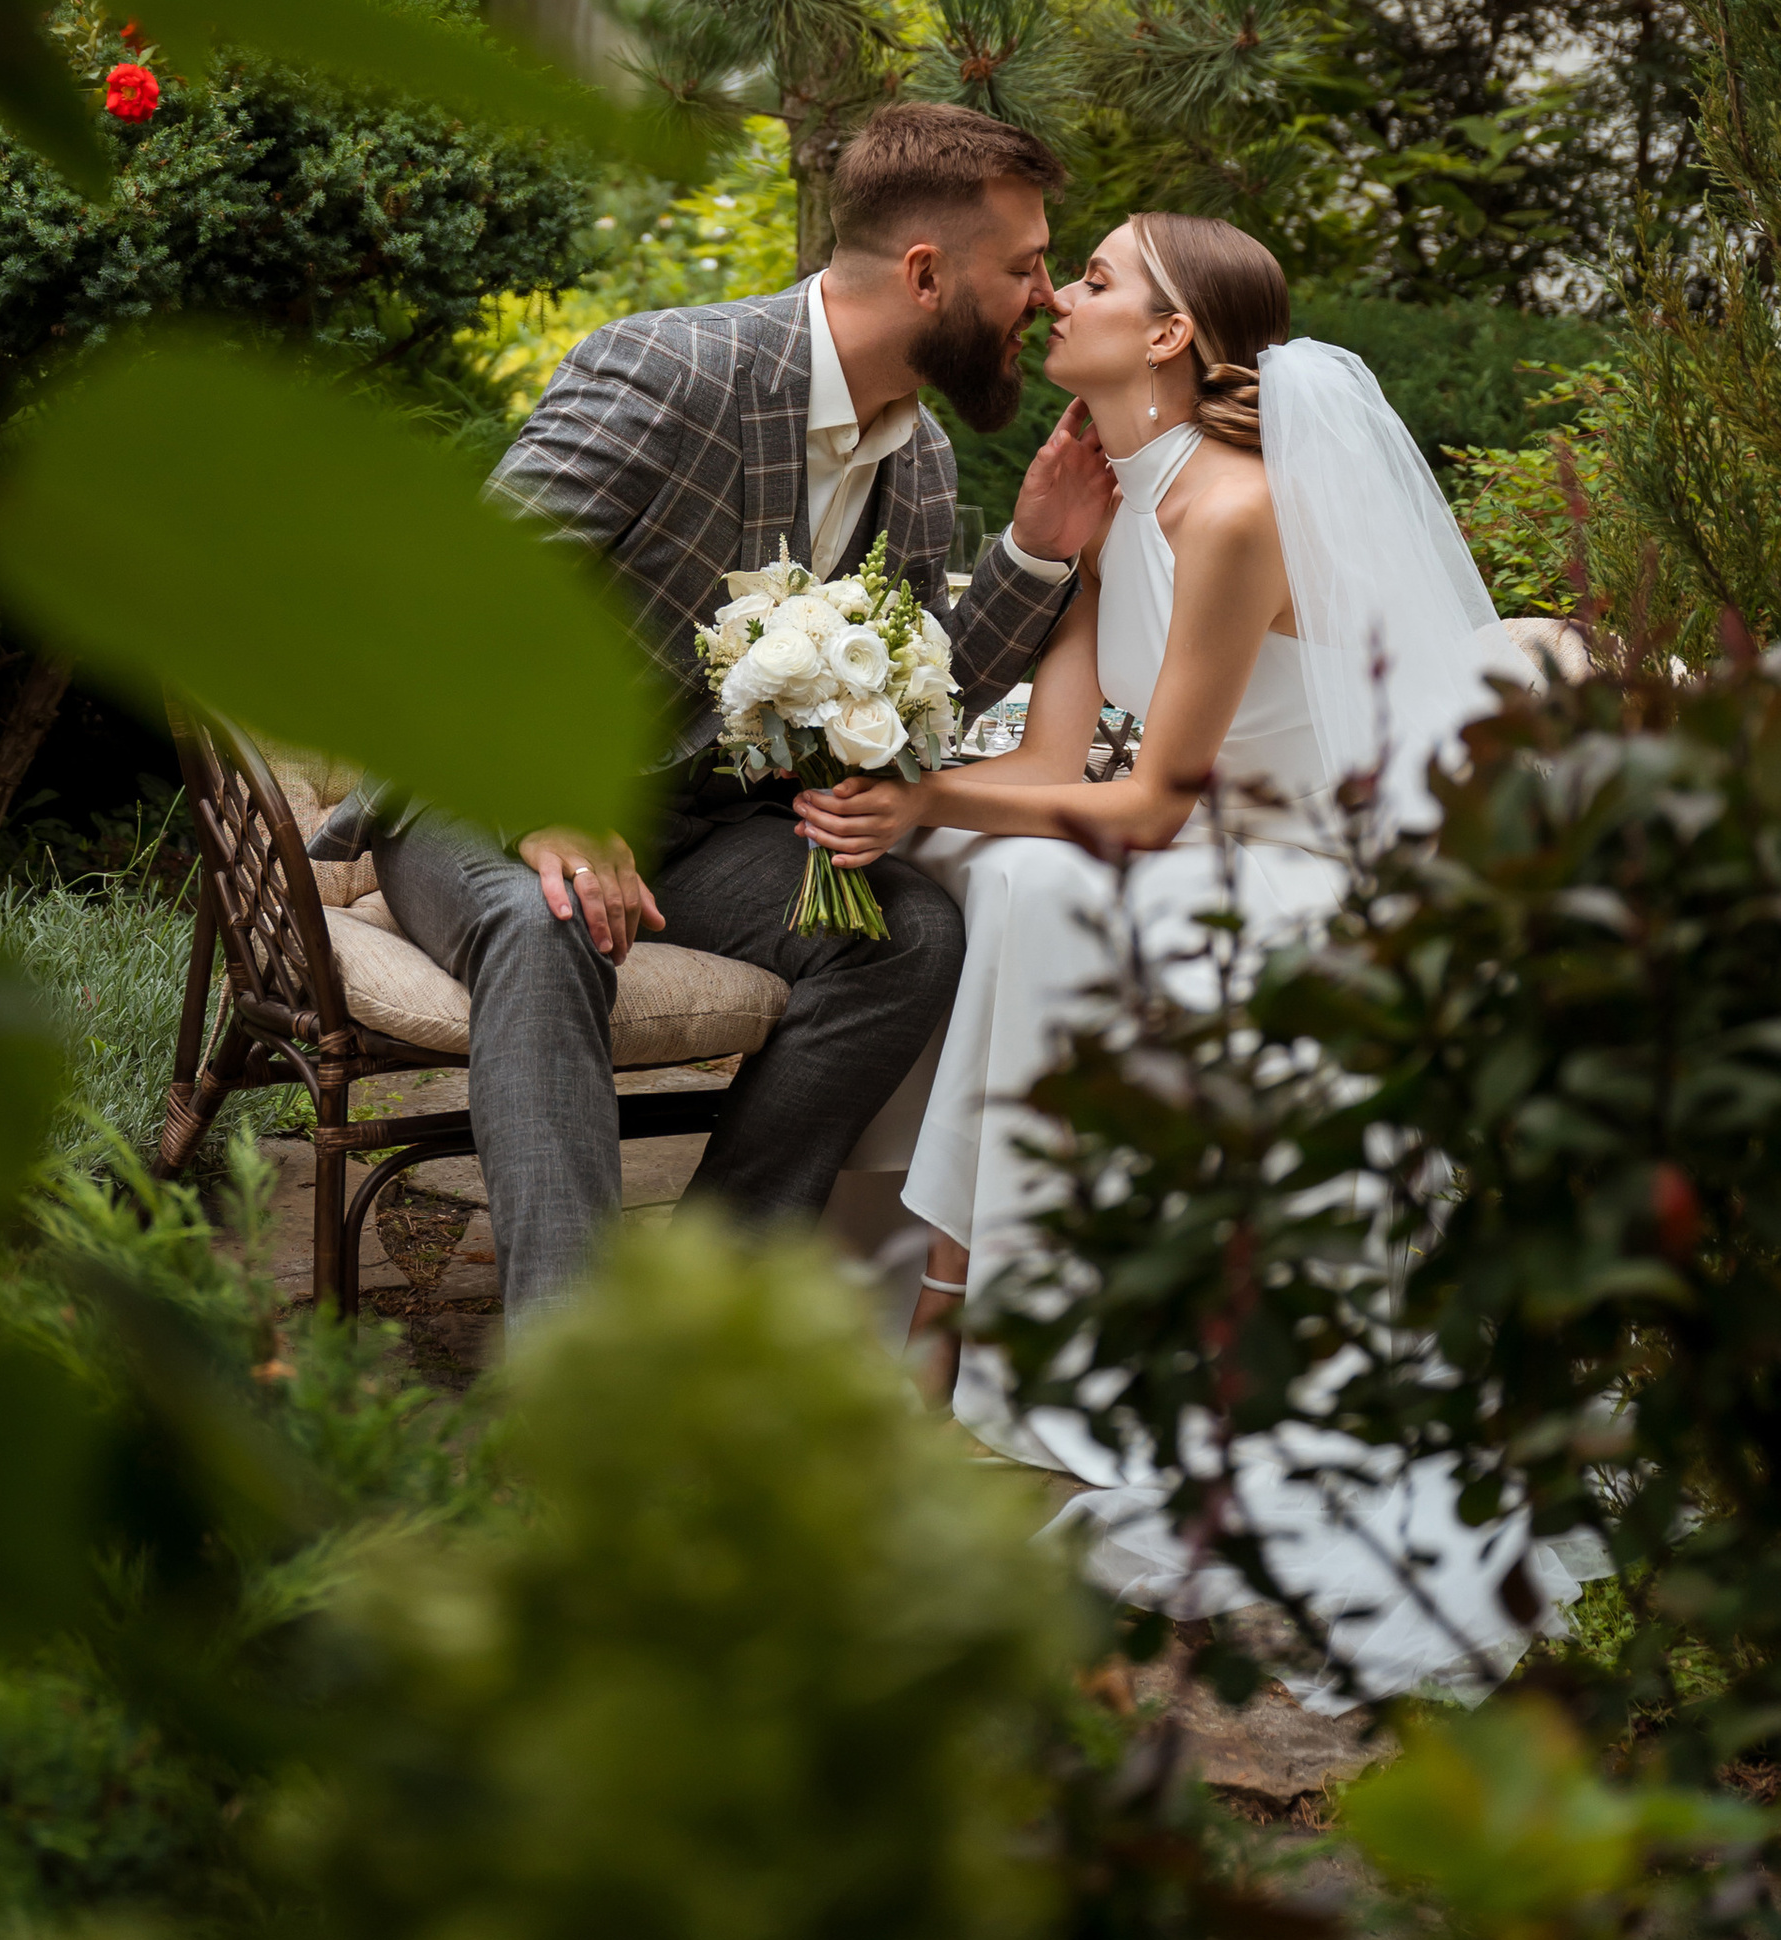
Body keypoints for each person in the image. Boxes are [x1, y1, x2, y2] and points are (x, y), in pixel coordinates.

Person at [798, 211, 1563, 1702]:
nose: (1055, 297)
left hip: (1299, 882)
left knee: (1017, 880)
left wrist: (930, 794)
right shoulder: (1125, 498)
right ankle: (945, 1293)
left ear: (1164, 336)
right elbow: (1055, 752)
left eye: (1089, 278)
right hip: (1196, 847)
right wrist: (895, 783)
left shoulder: (1231, 510)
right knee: (980, 867)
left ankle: (952, 1321)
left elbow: (1155, 798)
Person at [335, 103, 1118, 1318]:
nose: (1049, 297)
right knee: (550, 921)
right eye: (1024, 267)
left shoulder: (918, 459)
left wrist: (1032, 549)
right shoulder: (669, 368)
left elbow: (908, 700)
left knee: (905, 939)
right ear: (925, 274)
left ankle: (695, 1308)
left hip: (696, 830)